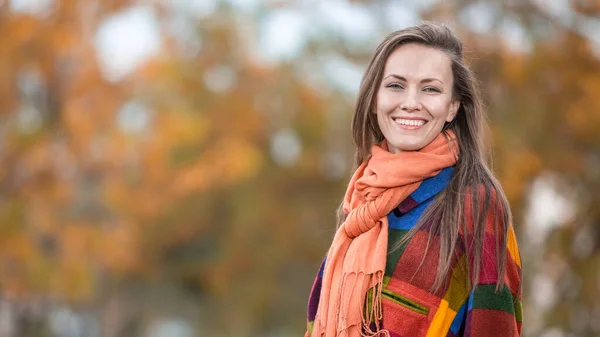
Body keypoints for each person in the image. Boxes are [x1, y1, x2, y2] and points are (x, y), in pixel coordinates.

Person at [305, 22, 522, 337]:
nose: (410, 102)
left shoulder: (475, 205)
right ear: (375, 98)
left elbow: (495, 327)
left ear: (452, 107)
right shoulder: (363, 200)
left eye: (430, 89)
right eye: (395, 85)